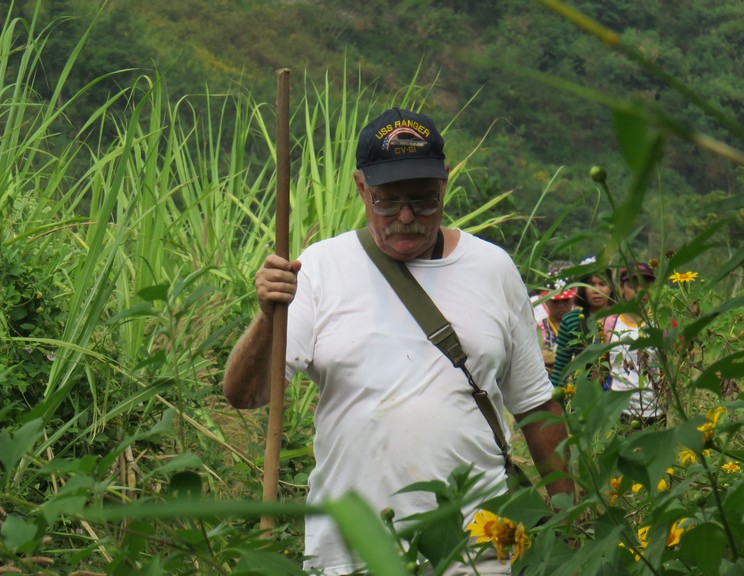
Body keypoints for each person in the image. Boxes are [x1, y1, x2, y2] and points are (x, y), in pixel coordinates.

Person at [222, 107, 573, 575]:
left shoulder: (492, 269)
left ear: (444, 182)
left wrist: (572, 520)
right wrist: (268, 318)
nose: (406, 217)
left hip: (478, 552)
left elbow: (534, 406)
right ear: (360, 187)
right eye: (387, 202)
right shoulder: (319, 268)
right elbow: (245, 395)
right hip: (352, 552)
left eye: (423, 200)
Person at [604, 263, 664, 426]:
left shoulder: (660, 323)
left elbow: (672, 366)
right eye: (633, 285)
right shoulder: (609, 324)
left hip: (654, 410)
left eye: (646, 285)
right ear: (621, 288)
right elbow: (600, 367)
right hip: (619, 411)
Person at [549, 263, 614, 387]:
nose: (597, 290)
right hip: (583, 392)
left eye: (602, 284)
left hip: (619, 390)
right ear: (582, 288)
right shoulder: (571, 320)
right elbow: (561, 369)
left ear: (611, 287)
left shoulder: (622, 317)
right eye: (591, 285)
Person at [537, 286, 578, 373]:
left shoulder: (580, 324)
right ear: (546, 301)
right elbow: (536, 354)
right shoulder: (539, 328)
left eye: (565, 300)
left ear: (573, 300)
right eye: (555, 301)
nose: (561, 305)